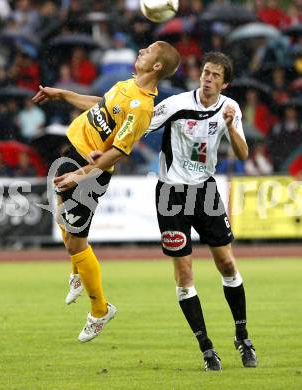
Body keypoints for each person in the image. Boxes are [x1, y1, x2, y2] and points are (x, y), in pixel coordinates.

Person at [32, 41, 181, 343]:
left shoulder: (142, 107)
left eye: (148, 51)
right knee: (61, 217)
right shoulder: (126, 85)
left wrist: (78, 176)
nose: (141, 51)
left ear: (156, 66)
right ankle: (78, 272)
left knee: (76, 244)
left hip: (88, 173)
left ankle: (100, 310)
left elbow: (117, 153)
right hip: (73, 149)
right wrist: (61, 94)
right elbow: (99, 105)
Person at [145, 52, 257, 371]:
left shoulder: (229, 109)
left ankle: (243, 336)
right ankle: (206, 348)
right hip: (171, 194)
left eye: (214, 76)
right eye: (205, 72)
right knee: (184, 274)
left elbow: (243, 152)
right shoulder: (176, 105)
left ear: (225, 83)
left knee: (227, 262)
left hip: (206, 192)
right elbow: (139, 126)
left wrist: (231, 127)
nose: (207, 78)